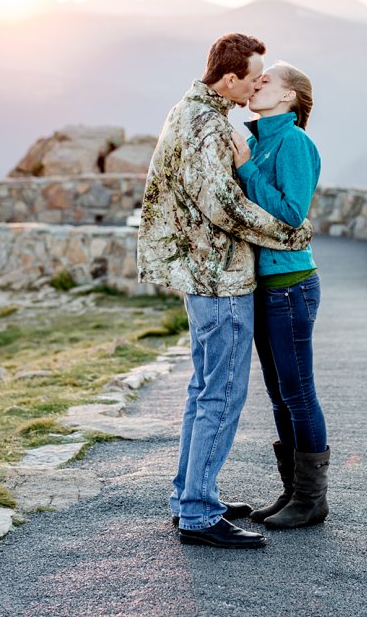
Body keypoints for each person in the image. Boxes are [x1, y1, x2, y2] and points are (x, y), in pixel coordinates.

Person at [138, 33, 313, 549]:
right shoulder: (209, 126)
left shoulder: (189, 111)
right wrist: (290, 233)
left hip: (202, 274)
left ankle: (192, 494)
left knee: (202, 389)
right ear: (230, 78)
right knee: (222, 392)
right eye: (254, 76)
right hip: (220, 277)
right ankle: (197, 513)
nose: (259, 83)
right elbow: (224, 208)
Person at [231, 61, 329, 529]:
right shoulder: (257, 139)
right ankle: (293, 491)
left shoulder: (293, 142)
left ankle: (312, 499)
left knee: (298, 392)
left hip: (291, 286)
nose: (257, 83)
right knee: (278, 394)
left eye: (267, 80)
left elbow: (291, 213)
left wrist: (246, 169)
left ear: (289, 96)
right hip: (264, 286)